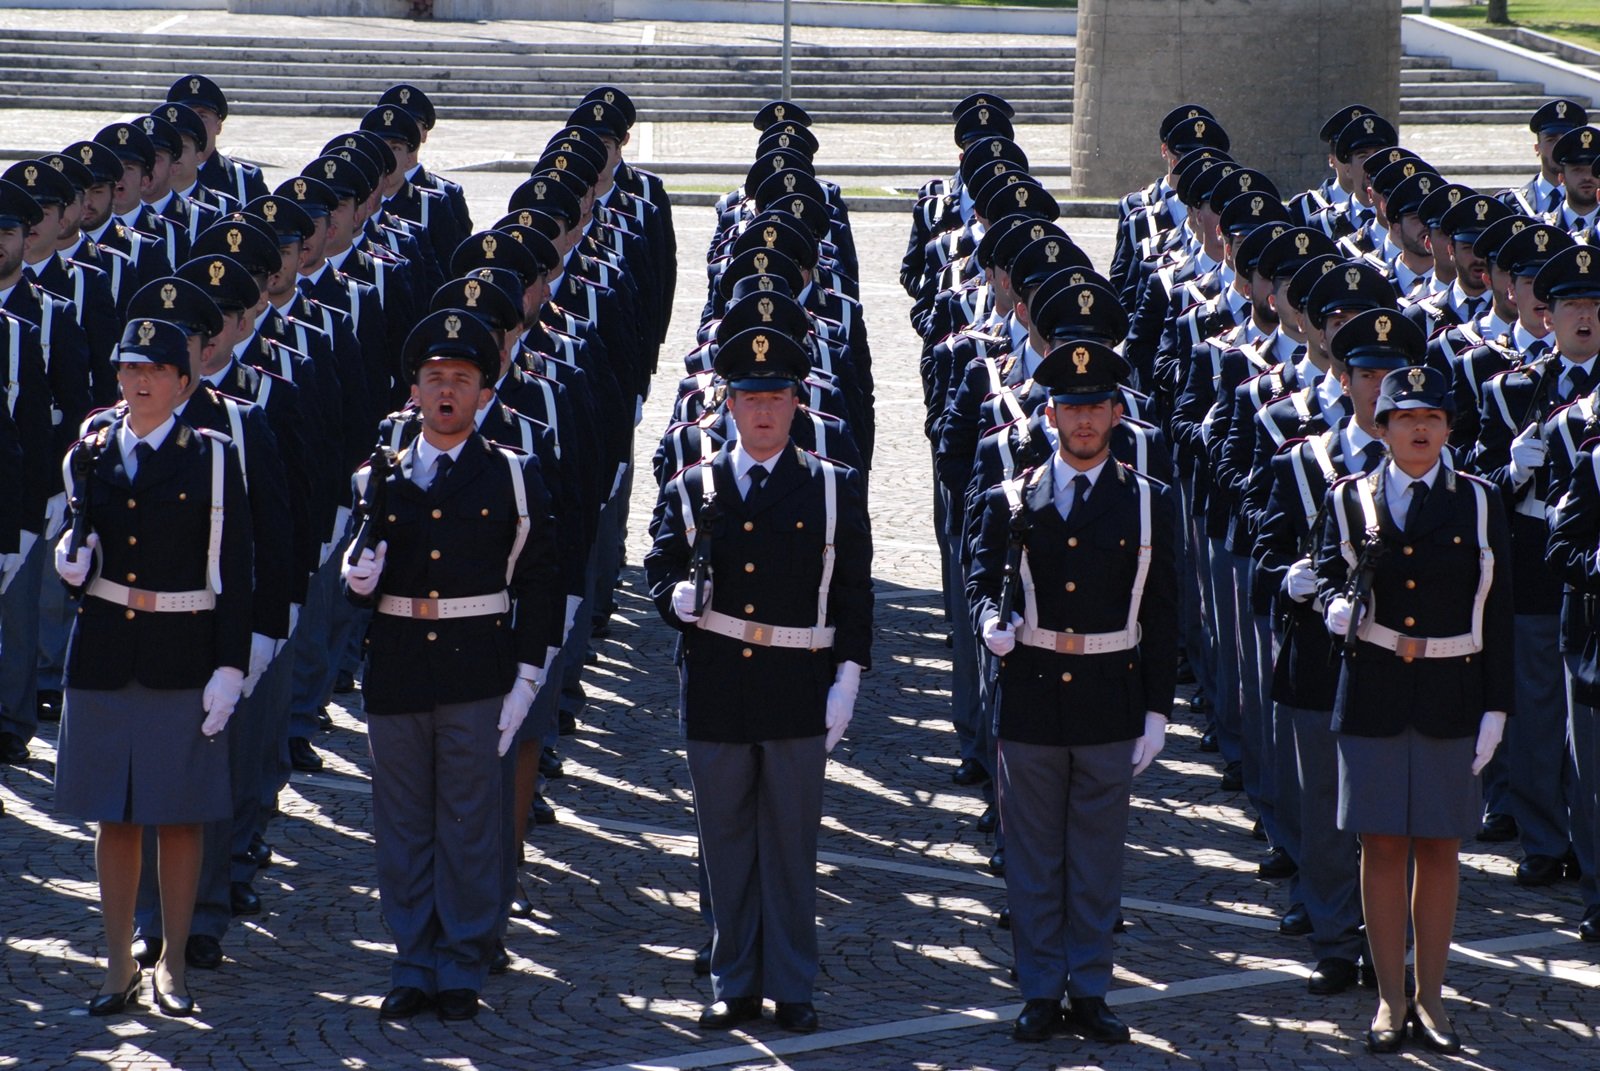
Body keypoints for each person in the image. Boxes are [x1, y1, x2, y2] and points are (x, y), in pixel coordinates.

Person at [644, 326, 872, 1034]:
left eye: (776, 397)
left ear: (796, 403)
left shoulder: (833, 487)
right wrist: (671, 597)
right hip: (715, 684)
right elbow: (659, 561)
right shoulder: (693, 484)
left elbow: (855, 594)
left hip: (797, 681)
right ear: (729, 405)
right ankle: (734, 979)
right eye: (750, 398)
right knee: (726, 845)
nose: (764, 411)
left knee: (791, 842)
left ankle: (793, 982)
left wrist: (849, 678)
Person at [341, 309, 560, 1022]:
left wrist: (527, 677)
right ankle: (412, 959)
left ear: (482, 395)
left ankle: (463, 958)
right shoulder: (382, 476)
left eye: (460, 381)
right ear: (414, 391)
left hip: (477, 667)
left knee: (469, 820)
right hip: (400, 665)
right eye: (434, 379)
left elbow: (540, 582)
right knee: (403, 822)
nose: (446, 393)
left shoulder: (513, 476)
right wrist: (359, 578)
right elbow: (353, 576)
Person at [967, 339, 1177, 1044]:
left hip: (1109, 695)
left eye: (1096, 407)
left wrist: (1157, 709)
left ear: (1117, 412)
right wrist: (989, 622)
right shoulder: (1009, 497)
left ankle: (1089, 986)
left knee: (1096, 858)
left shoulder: (1149, 502)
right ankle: (1037, 987)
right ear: (1048, 415)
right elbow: (977, 582)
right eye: (1071, 409)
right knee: (1032, 858)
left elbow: (1164, 613)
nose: (1084, 421)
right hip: (1029, 693)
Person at [53, 315, 253, 1017]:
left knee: (179, 817)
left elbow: (235, 570)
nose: (138, 382)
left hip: (181, 652)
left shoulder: (214, 457)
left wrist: (232, 664)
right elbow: (79, 534)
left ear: (183, 382)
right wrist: (70, 565)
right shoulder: (93, 448)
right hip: (107, 648)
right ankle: (116, 965)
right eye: (128, 370)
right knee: (115, 818)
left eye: (154, 371)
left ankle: (171, 961)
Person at [1314, 359, 1513, 1054]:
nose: (1420, 428)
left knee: (1440, 844)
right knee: (1382, 842)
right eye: (1406, 417)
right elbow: (1323, 578)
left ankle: (1431, 995)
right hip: (1372, 686)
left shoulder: (1480, 501)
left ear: (1448, 427)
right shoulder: (1348, 498)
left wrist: (1498, 707)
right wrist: (1331, 605)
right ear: (1383, 427)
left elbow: (1501, 611)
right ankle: (1388, 997)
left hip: (1452, 687)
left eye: (1432, 417)